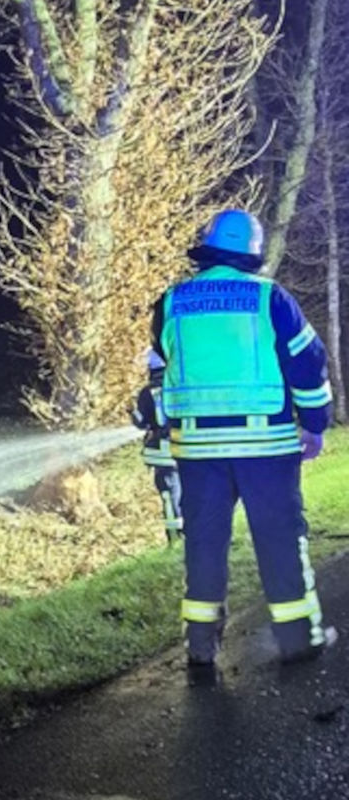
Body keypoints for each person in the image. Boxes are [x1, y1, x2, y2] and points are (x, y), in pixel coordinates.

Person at [151, 208, 335, 669]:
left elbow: (161, 360)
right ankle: (298, 639)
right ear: (251, 253)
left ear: (207, 247)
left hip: (196, 452)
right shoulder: (268, 298)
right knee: (279, 541)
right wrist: (315, 424)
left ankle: (201, 646)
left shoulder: (171, 302)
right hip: (265, 449)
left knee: (204, 545)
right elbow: (308, 361)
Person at [130, 349, 183, 545]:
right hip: (187, 448)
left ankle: (174, 536)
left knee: (170, 494)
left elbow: (142, 423)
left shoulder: (147, 392)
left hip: (162, 455)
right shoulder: (180, 385)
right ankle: (192, 531)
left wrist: (132, 413)